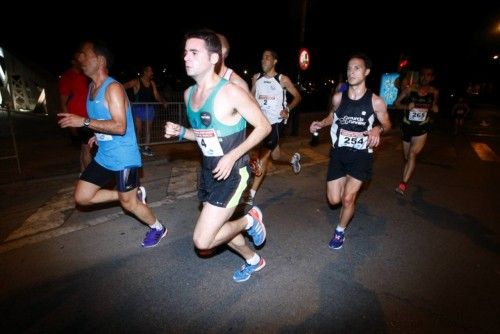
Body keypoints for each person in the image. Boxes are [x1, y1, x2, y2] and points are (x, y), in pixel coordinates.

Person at [164, 30, 271, 282]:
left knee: (203, 240)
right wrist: (182, 133)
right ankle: (254, 260)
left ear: (214, 58)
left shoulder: (231, 91)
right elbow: (204, 135)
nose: (186, 57)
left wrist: (232, 156)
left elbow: (264, 127)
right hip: (208, 171)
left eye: (194, 52)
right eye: (185, 52)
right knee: (219, 227)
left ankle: (249, 220)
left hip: (234, 172)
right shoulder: (189, 94)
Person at [58, 41, 167, 248]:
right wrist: (97, 135)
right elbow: (106, 120)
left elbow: (120, 126)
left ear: (99, 61)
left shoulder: (113, 88)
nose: (80, 58)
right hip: (105, 155)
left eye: (85, 54)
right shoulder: (91, 88)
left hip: (125, 157)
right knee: (82, 197)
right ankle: (131, 194)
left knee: (130, 205)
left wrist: (84, 122)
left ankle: (158, 228)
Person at [309, 53, 391, 250]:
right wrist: (321, 123)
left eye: (357, 68)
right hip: (339, 154)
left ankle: (340, 231)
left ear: (367, 72)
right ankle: (347, 190)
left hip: (362, 155)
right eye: (349, 68)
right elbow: (332, 117)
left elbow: (388, 124)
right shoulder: (338, 98)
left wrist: (378, 129)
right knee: (334, 200)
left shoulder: (376, 101)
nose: (351, 72)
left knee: (347, 198)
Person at [244, 49, 302, 205]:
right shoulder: (257, 78)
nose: (263, 60)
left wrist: (287, 109)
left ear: (275, 61)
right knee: (275, 155)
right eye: (262, 58)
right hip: (260, 122)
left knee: (264, 155)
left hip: (276, 122)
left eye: (267, 58)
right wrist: (252, 85)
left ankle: (251, 194)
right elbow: (250, 97)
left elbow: (297, 96)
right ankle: (293, 159)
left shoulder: (282, 79)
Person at [393, 65, 439, 195]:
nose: (425, 77)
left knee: (413, 154)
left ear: (432, 77)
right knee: (408, 157)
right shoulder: (410, 90)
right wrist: (407, 106)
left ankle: (402, 185)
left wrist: (435, 108)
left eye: (428, 75)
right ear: (420, 76)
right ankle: (405, 178)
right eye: (423, 74)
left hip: (422, 128)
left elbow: (434, 107)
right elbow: (396, 104)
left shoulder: (434, 92)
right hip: (407, 127)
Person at [58, 51, 93, 172]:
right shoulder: (67, 77)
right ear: (73, 61)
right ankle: (90, 179)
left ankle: (83, 175)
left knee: (84, 149)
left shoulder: (85, 76)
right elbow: (63, 102)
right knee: (87, 148)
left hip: (87, 118)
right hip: (77, 119)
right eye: (79, 59)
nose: (82, 61)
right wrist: (69, 124)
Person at [123, 65, 165, 157]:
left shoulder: (152, 83)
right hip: (138, 109)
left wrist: (163, 101)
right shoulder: (136, 81)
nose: (152, 73)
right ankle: (137, 147)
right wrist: (128, 101)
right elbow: (122, 87)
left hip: (149, 108)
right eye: (150, 71)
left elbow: (156, 95)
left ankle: (146, 148)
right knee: (139, 130)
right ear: (145, 72)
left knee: (148, 130)